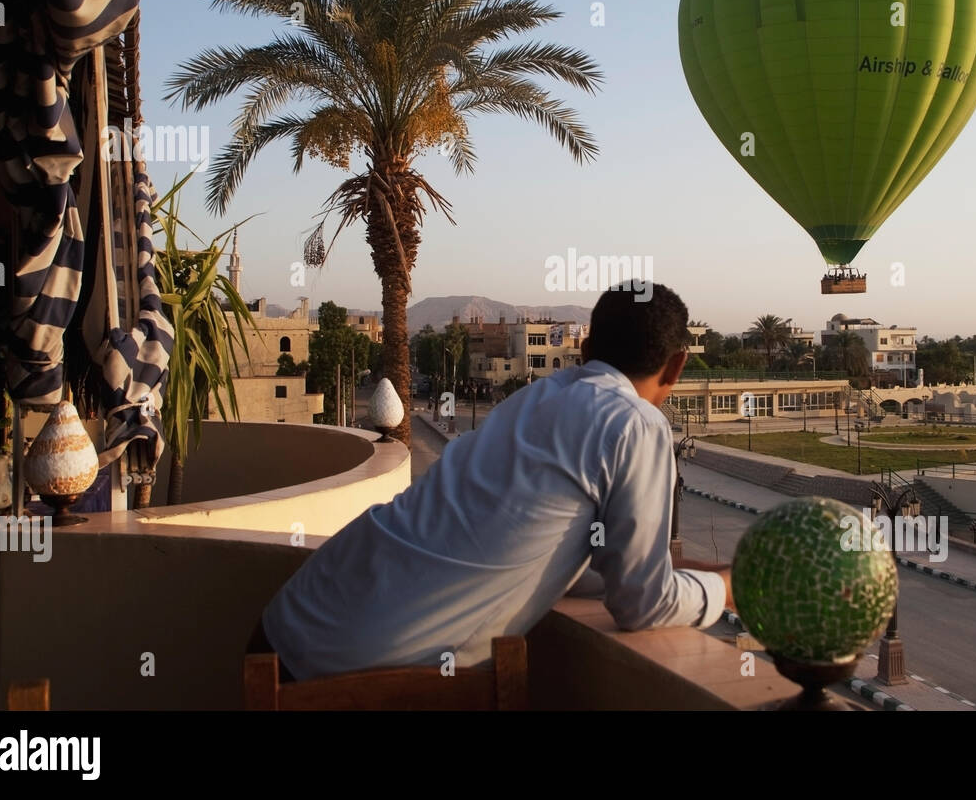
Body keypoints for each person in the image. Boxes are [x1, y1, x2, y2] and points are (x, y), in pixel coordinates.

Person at [256, 281, 732, 680]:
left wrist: (687, 572)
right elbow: (645, 605)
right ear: (677, 365)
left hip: (283, 629)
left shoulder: (533, 400)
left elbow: (542, 556)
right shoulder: (635, 423)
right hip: (343, 678)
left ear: (585, 351)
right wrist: (734, 588)